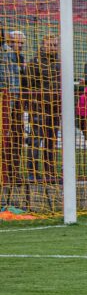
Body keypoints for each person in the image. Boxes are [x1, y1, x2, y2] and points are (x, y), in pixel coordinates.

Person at [26, 34, 61, 183]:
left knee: (51, 141)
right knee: (35, 139)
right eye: (49, 45)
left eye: (54, 45)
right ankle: (32, 172)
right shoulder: (34, 63)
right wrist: (32, 103)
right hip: (38, 106)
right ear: (43, 45)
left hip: (55, 107)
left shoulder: (59, 63)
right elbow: (28, 85)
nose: (52, 47)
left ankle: (50, 173)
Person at [0, 30, 27, 183]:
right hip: (7, 99)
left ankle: (13, 173)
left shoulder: (17, 57)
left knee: (16, 136)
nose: (19, 45)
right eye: (16, 42)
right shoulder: (7, 55)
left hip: (15, 100)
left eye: (22, 43)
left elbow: (18, 80)